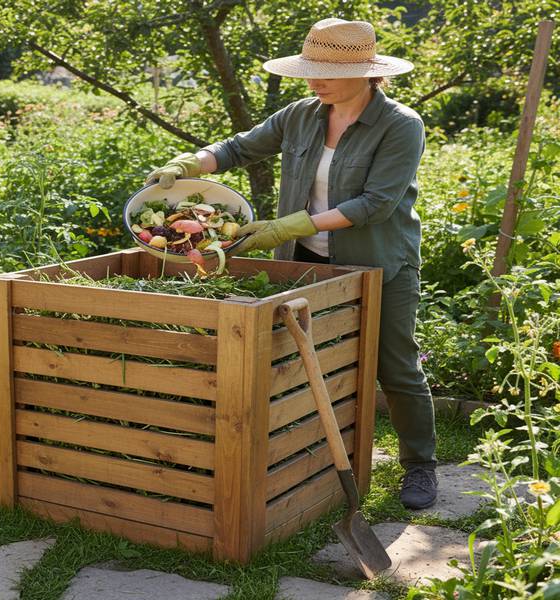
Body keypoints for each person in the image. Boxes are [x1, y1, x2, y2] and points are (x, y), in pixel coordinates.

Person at [144, 18, 438, 510]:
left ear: (366, 73)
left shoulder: (400, 125)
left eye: (323, 71)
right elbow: (239, 147)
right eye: (309, 69)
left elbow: (376, 204)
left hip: (379, 263)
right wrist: (190, 164)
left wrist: (286, 226)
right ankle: (308, 454)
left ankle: (421, 466)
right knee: (304, 360)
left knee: (396, 366)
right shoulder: (302, 114)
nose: (312, 80)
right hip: (305, 263)